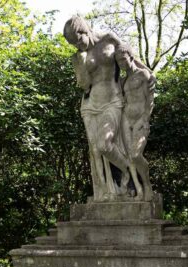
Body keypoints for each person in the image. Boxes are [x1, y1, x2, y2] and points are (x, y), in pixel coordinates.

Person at [64, 16, 130, 201]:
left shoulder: (109, 39)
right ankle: (105, 193)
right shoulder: (78, 56)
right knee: (95, 153)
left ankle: (128, 173)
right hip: (90, 105)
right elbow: (84, 85)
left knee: (105, 145)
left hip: (112, 101)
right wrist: (82, 63)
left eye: (78, 40)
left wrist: (144, 77)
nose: (77, 45)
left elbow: (129, 58)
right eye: (73, 44)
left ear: (85, 31)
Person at [115, 44, 155, 201]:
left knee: (136, 154)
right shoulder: (123, 80)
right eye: (119, 61)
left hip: (140, 120)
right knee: (129, 156)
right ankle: (138, 190)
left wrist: (145, 118)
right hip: (126, 119)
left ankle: (147, 185)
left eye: (124, 59)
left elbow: (150, 100)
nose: (122, 64)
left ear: (131, 57)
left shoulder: (143, 74)